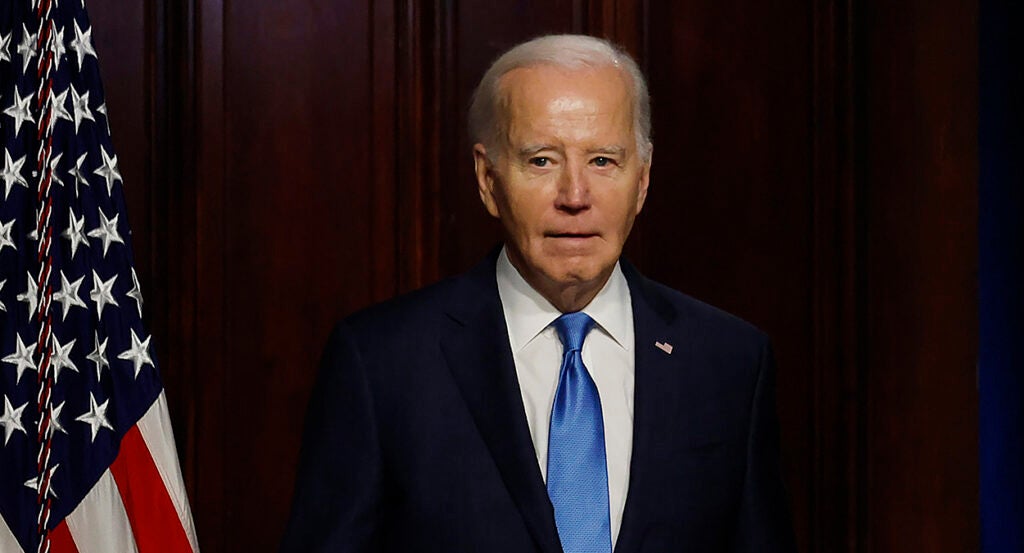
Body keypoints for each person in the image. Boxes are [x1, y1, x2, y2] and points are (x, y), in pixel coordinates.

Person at [281, 34, 796, 553]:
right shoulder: (382, 362)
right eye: (542, 160)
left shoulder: (729, 362)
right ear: (488, 179)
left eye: (602, 161)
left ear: (642, 180)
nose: (575, 196)